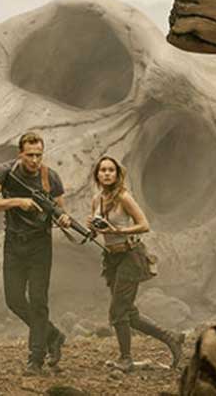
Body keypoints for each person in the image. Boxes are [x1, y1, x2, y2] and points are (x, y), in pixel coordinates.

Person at [0, 132, 71, 376]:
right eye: (30, 155)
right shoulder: (6, 172)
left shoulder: (51, 177)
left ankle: (35, 359)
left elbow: (61, 211)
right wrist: (17, 202)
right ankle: (52, 334)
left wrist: (63, 219)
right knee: (14, 300)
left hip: (40, 245)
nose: (35, 160)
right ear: (20, 154)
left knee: (38, 301)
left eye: (39, 155)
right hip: (13, 243)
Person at [87, 156, 184, 371]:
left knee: (118, 312)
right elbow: (99, 231)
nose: (106, 174)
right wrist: (92, 228)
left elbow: (144, 225)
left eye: (111, 170)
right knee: (128, 312)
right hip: (111, 258)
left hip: (130, 256)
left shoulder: (124, 197)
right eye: (102, 170)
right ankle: (171, 337)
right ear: (97, 175)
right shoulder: (96, 200)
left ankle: (126, 359)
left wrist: (118, 230)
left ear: (117, 174)